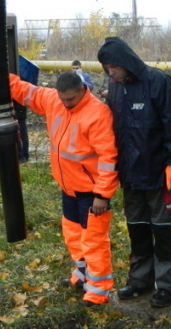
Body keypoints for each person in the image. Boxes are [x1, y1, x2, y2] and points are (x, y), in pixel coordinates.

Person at [97, 36, 171, 308]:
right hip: (131, 174)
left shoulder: (157, 81)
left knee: (164, 231)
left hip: (160, 174)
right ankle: (140, 280)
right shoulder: (115, 88)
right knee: (137, 229)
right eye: (106, 68)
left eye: (113, 66)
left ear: (125, 61)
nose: (110, 72)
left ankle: (170, 286)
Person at [9, 71, 119, 306]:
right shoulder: (54, 100)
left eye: (70, 100)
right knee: (73, 235)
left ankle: (98, 290)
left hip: (91, 193)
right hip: (68, 188)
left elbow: (108, 157)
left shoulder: (98, 113)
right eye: (63, 99)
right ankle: (81, 274)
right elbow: (27, 92)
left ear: (82, 90)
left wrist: (103, 194)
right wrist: (0, 75)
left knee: (94, 240)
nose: (66, 104)